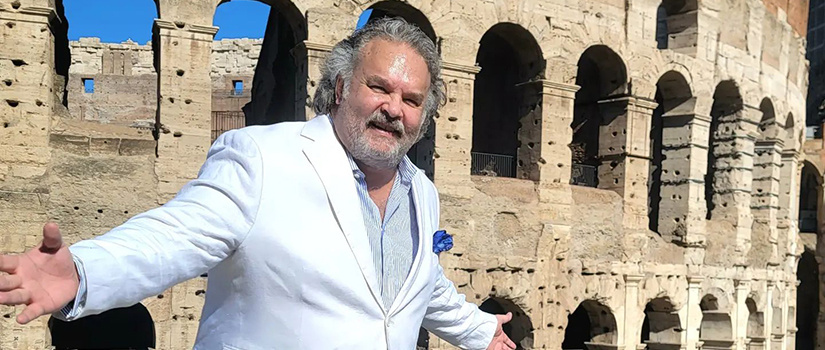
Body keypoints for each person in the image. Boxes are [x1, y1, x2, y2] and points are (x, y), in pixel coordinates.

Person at [0, 18, 517, 350]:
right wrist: (84, 271)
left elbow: (417, 281)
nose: (393, 108)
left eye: (410, 99)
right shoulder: (263, 157)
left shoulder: (420, 190)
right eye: (378, 86)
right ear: (339, 88)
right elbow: (175, 236)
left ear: (424, 115)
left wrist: (478, 330)